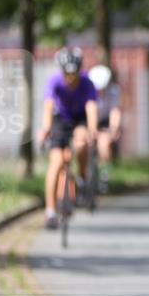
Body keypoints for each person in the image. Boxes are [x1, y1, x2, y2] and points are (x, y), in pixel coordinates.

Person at [37, 47, 99, 229]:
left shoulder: (87, 82)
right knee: (56, 162)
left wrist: (93, 129)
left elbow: (91, 107)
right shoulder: (54, 81)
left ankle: (81, 177)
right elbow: (48, 105)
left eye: (74, 73)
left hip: (79, 118)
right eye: (67, 74)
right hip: (61, 119)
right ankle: (50, 210)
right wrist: (46, 128)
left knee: (81, 143)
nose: (71, 78)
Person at [88, 65, 122, 193]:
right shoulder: (88, 91)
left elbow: (115, 111)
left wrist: (113, 129)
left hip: (104, 122)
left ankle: (104, 173)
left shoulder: (113, 91)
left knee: (104, 144)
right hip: (89, 120)